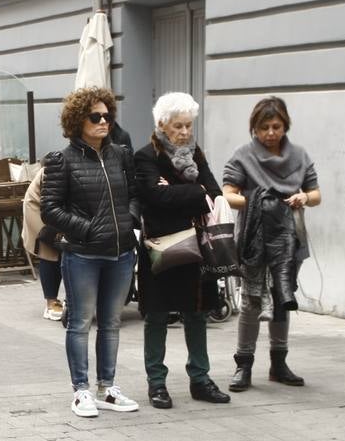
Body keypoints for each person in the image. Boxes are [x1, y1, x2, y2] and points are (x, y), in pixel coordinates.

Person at [39, 86, 141, 418]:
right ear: (77, 120)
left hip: (122, 251)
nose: (103, 121)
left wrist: (131, 222)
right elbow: (50, 210)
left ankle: (107, 388)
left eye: (107, 116)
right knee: (80, 322)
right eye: (95, 116)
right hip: (82, 254)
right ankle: (81, 390)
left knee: (110, 322)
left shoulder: (122, 155)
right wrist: (86, 229)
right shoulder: (61, 160)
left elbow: (135, 194)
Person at [134, 92, 229, 409]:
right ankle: (156, 383)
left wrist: (183, 192)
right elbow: (153, 198)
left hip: (197, 248)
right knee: (157, 315)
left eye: (189, 126)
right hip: (161, 246)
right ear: (163, 124)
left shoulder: (195, 153)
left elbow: (213, 191)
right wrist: (195, 192)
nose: (186, 132)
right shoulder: (146, 156)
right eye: (179, 126)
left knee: (197, 313)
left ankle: (200, 380)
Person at [221, 96, 321, 392]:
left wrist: (303, 197)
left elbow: (316, 194)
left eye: (276, 126)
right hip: (254, 238)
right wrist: (258, 201)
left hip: (290, 238)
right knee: (251, 302)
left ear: (285, 125)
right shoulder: (243, 156)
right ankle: (244, 365)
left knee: (282, 298)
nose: (270, 133)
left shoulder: (299, 156)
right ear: (254, 128)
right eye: (263, 127)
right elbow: (228, 194)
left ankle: (279, 363)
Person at [22, 167, 64, 321]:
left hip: (60, 211)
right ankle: (51, 303)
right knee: (50, 252)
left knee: (63, 253)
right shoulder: (56, 169)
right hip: (39, 209)